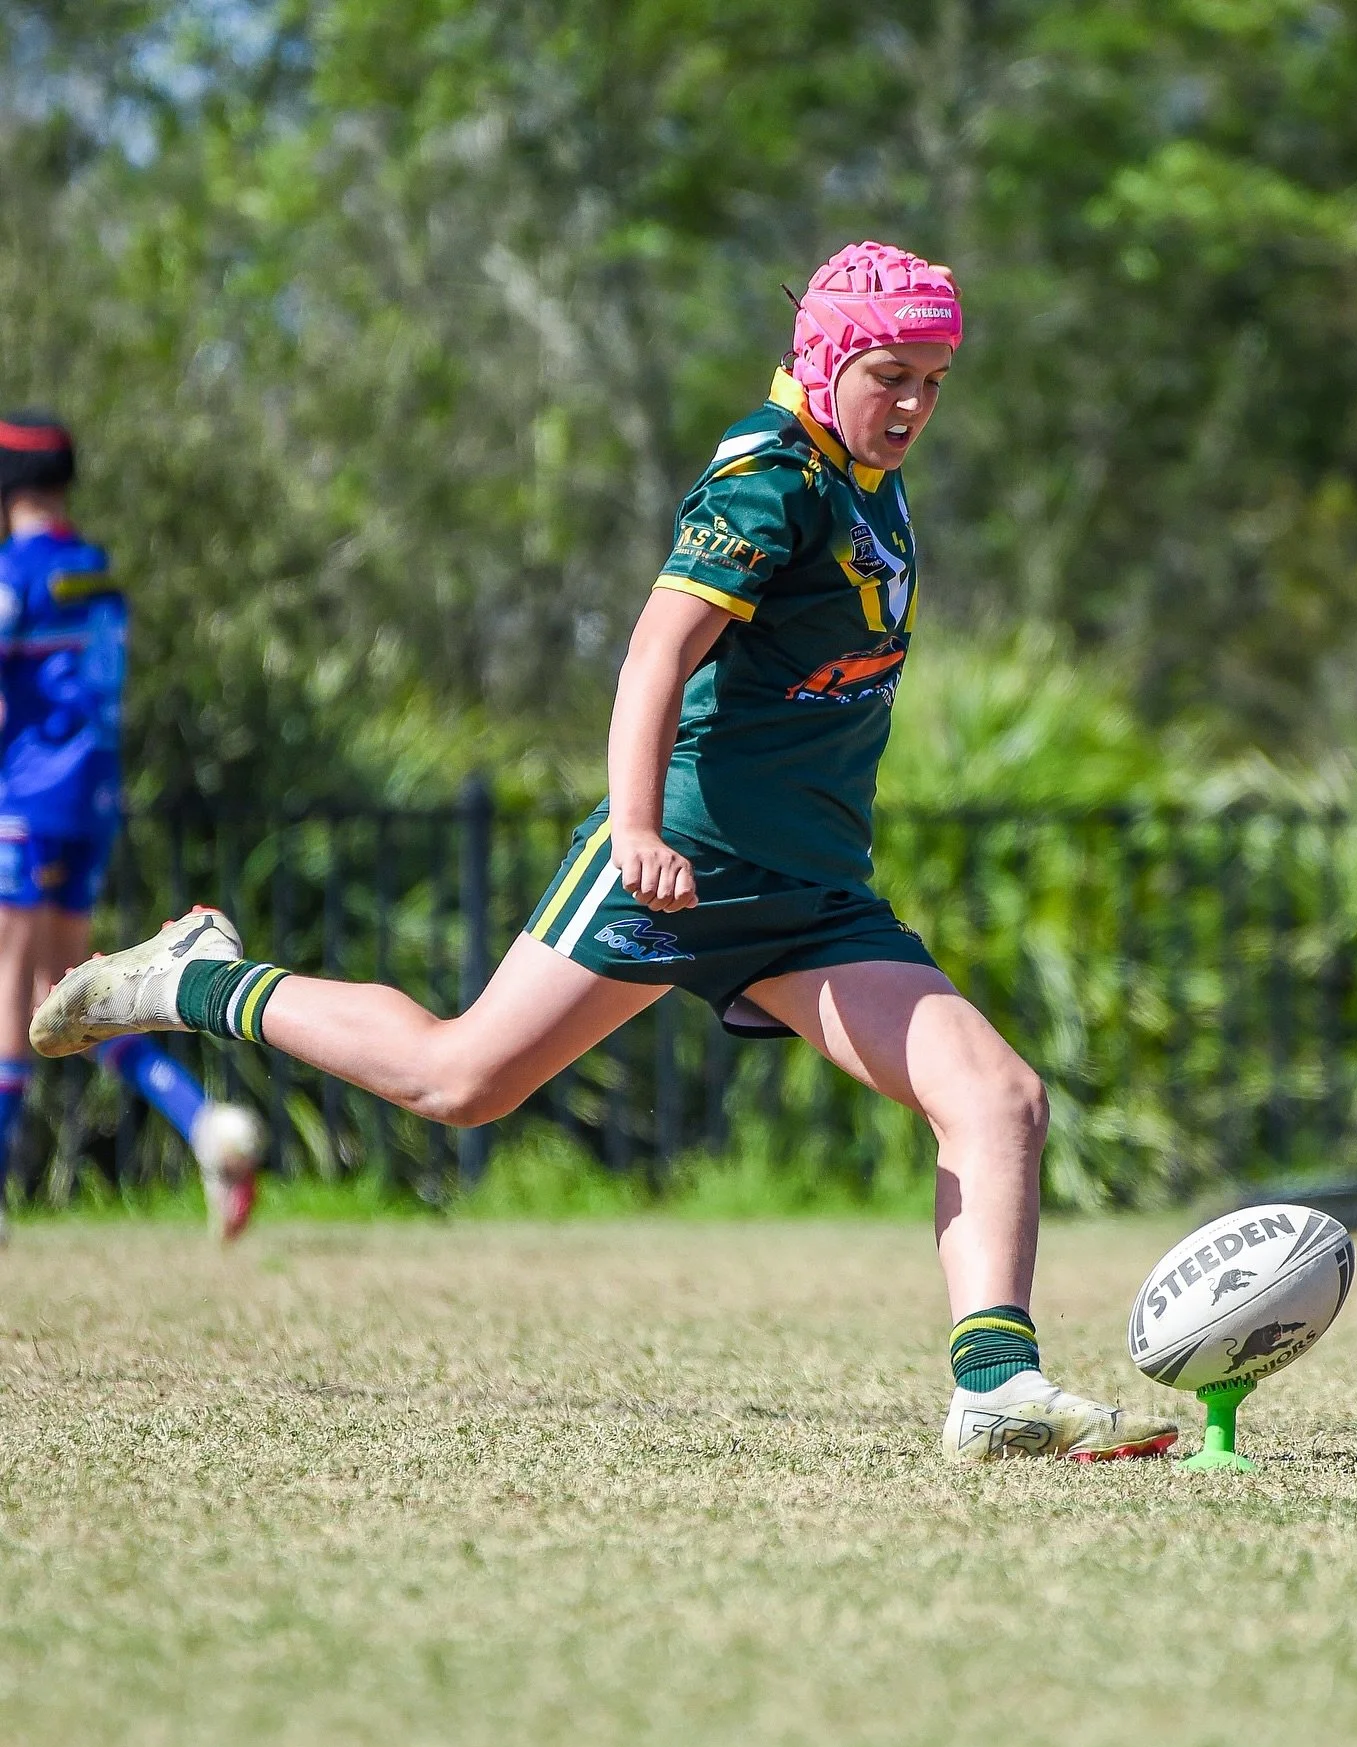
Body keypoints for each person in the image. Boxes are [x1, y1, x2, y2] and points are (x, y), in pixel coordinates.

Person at [31, 245, 1176, 1458]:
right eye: (892, 374)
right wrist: (633, 830)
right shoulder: (769, 479)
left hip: (811, 895)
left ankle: (995, 1392)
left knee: (999, 1098)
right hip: (679, 864)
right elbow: (651, 659)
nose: (914, 406)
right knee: (461, 1082)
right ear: (828, 357)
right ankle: (183, 979)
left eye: (935, 382)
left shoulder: (866, 478)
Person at [0, 411, 264, 1241]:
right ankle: (203, 1124)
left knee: (11, 992)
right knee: (63, 997)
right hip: (91, 802)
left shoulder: (14, 573)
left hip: (23, 802)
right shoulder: (96, 572)